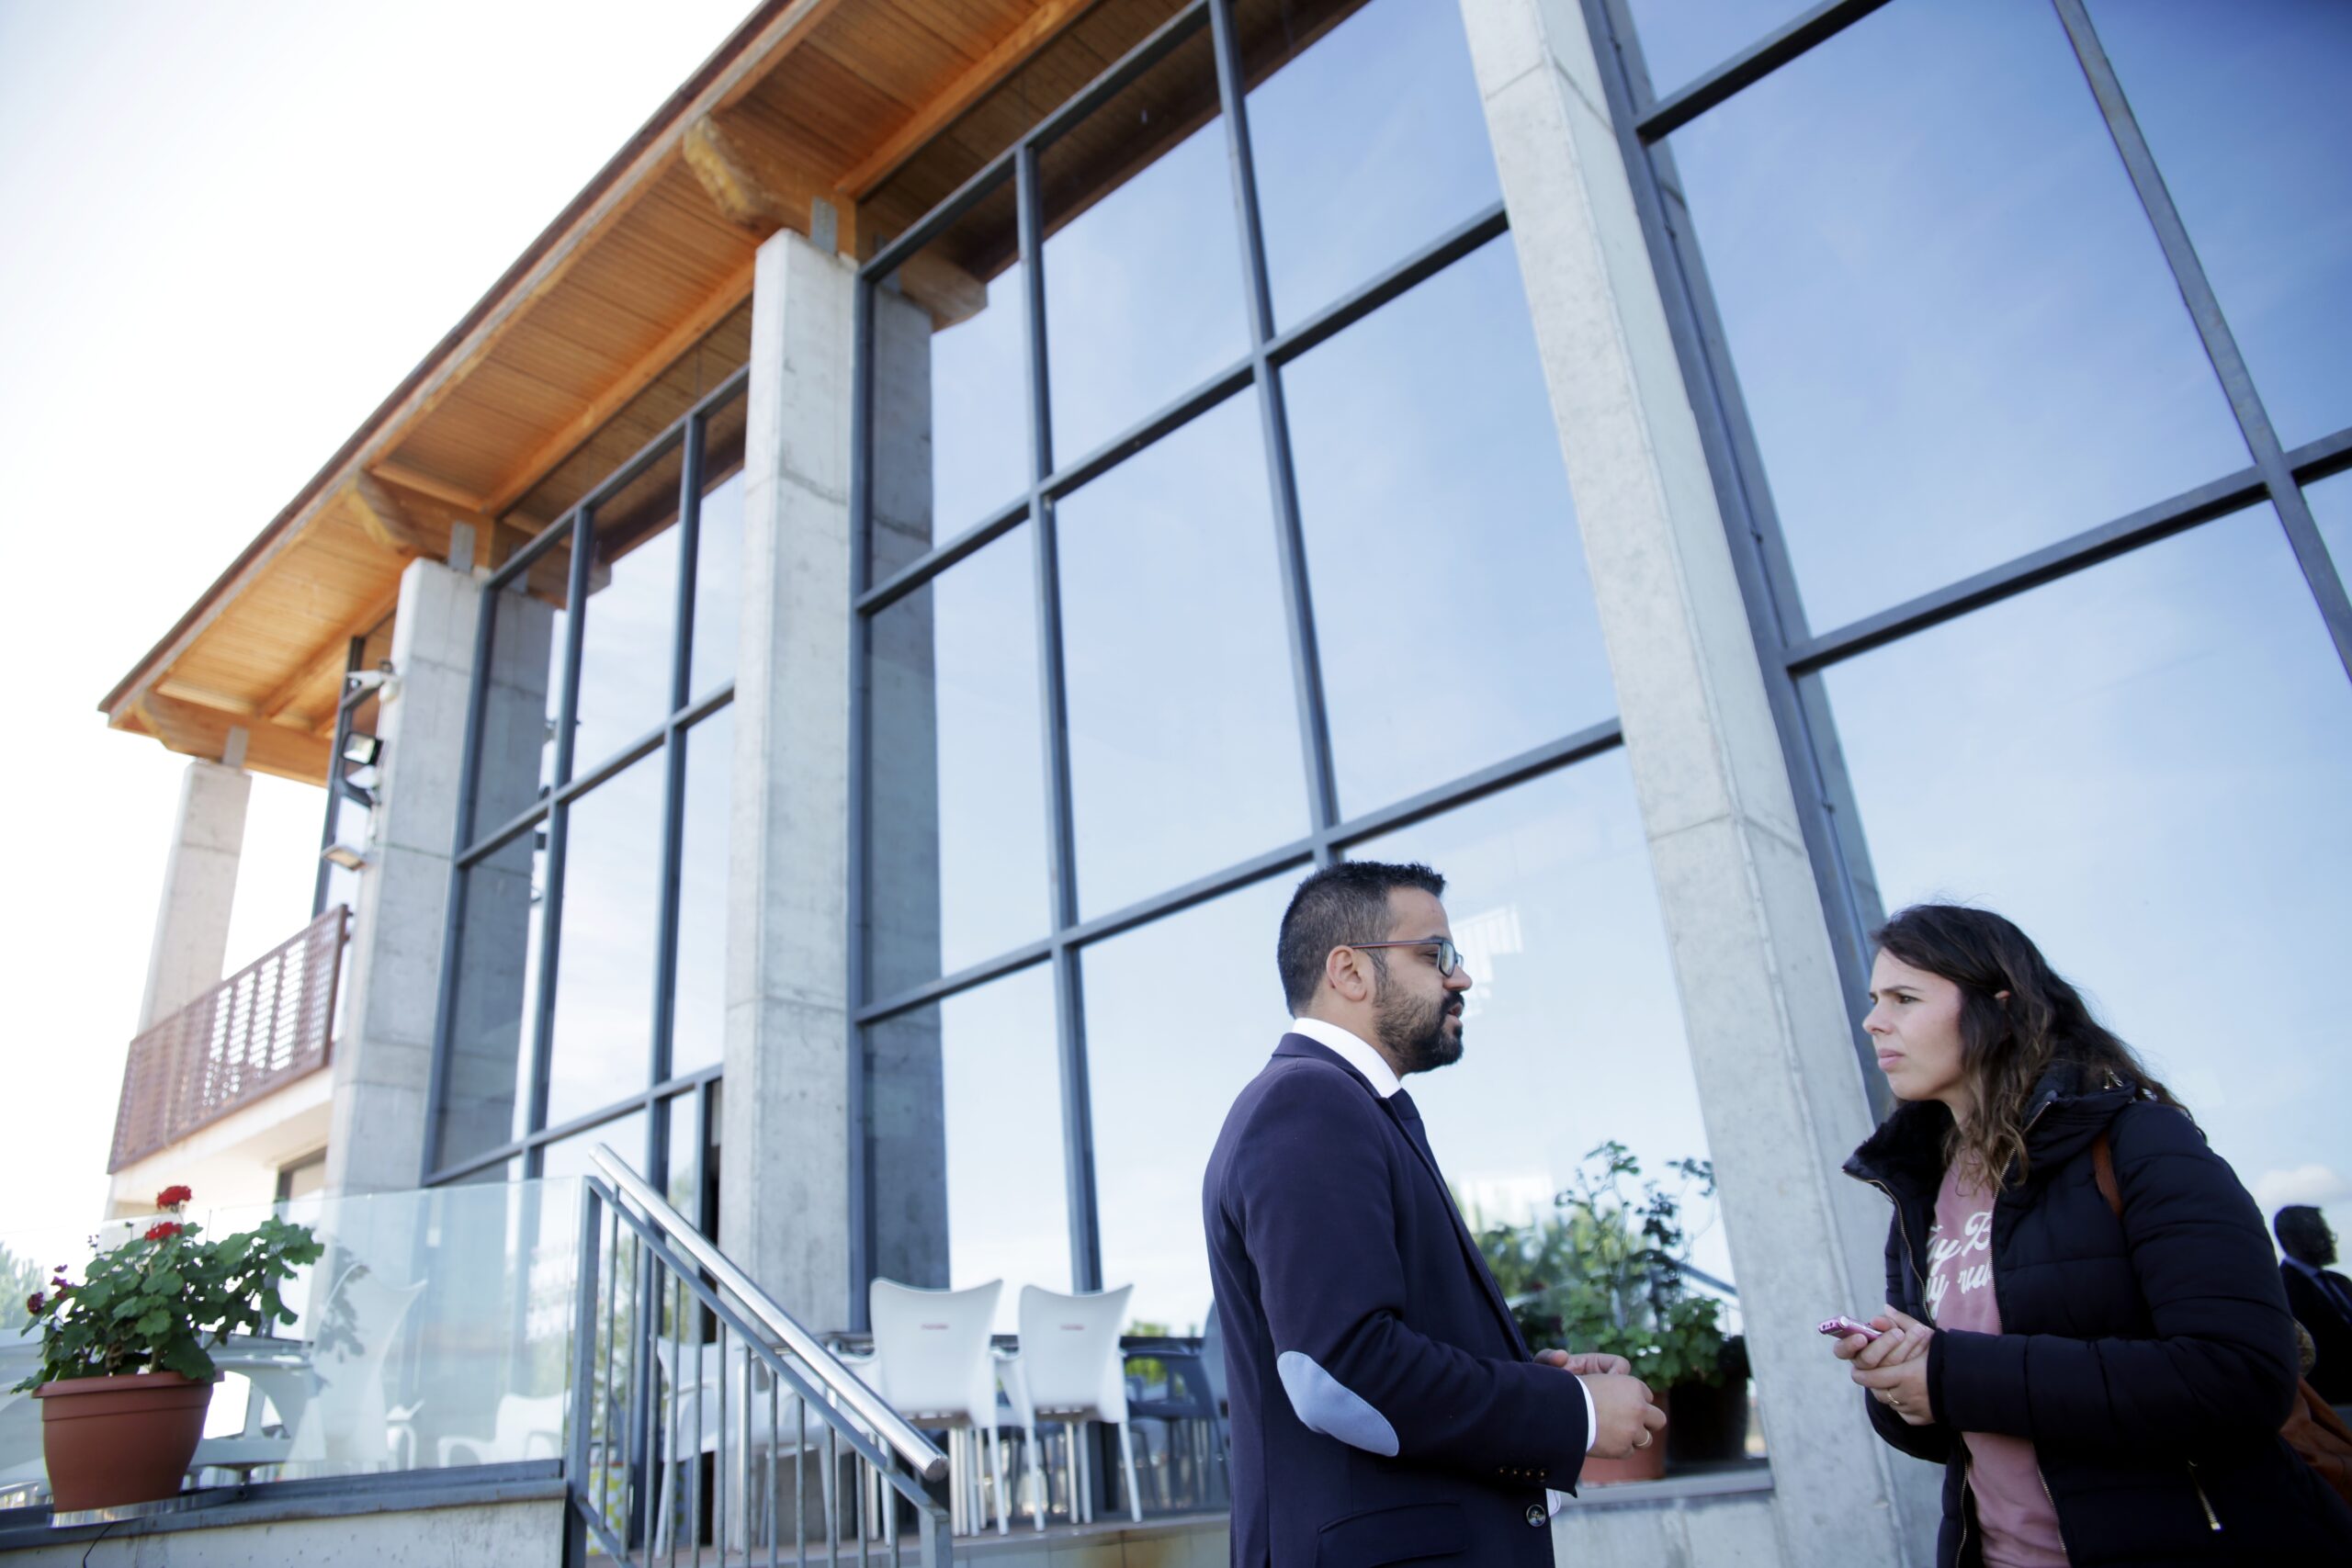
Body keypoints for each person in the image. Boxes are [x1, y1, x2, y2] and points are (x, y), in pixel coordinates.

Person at [1832, 903, 2352, 1566]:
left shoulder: (2140, 1141)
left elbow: (2242, 1375)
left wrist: (1950, 1371)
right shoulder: (1920, 1190)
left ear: (1999, 1006)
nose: (1875, 1020)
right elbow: (1955, 1428)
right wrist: (1897, 1386)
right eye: (1875, 999)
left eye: (1905, 997)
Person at [1203, 861, 1664, 1566]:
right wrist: (1578, 1414)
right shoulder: (1310, 1103)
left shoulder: (1341, 1106)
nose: (1461, 978)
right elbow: (1341, 1367)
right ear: (1350, 971)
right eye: (1435, 954)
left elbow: (1367, 1347)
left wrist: (1547, 1382)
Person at [2276, 1205, 2352, 1410]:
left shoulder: (2341, 1282)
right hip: (2329, 1404)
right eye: (2320, 1233)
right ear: (2290, 1238)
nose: (2329, 1240)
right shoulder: (2281, 1289)